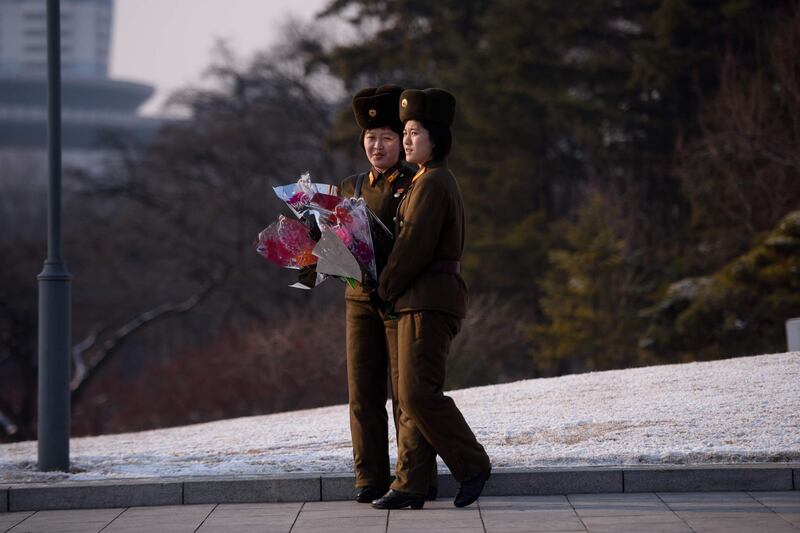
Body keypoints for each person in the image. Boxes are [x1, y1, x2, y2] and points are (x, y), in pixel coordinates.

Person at [371, 88, 492, 510]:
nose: (406, 140)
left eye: (415, 132)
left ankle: (472, 464)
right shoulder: (420, 179)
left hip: (428, 300)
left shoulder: (434, 181)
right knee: (409, 396)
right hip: (413, 300)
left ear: (436, 137)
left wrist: (382, 287)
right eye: (404, 131)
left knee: (420, 393)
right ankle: (411, 484)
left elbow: (413, 248)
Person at [339, 85, 438, 504]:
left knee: (406, 394)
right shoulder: (349, 186)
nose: (376, 146)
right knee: (362, 392)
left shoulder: (418, 182)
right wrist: (318, 250)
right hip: (359, 300)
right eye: (369, 139)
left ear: (401, 141)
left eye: (386, 138)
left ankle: (413, 478)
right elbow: (339, 243)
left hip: (401, 300)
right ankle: (369, 477)